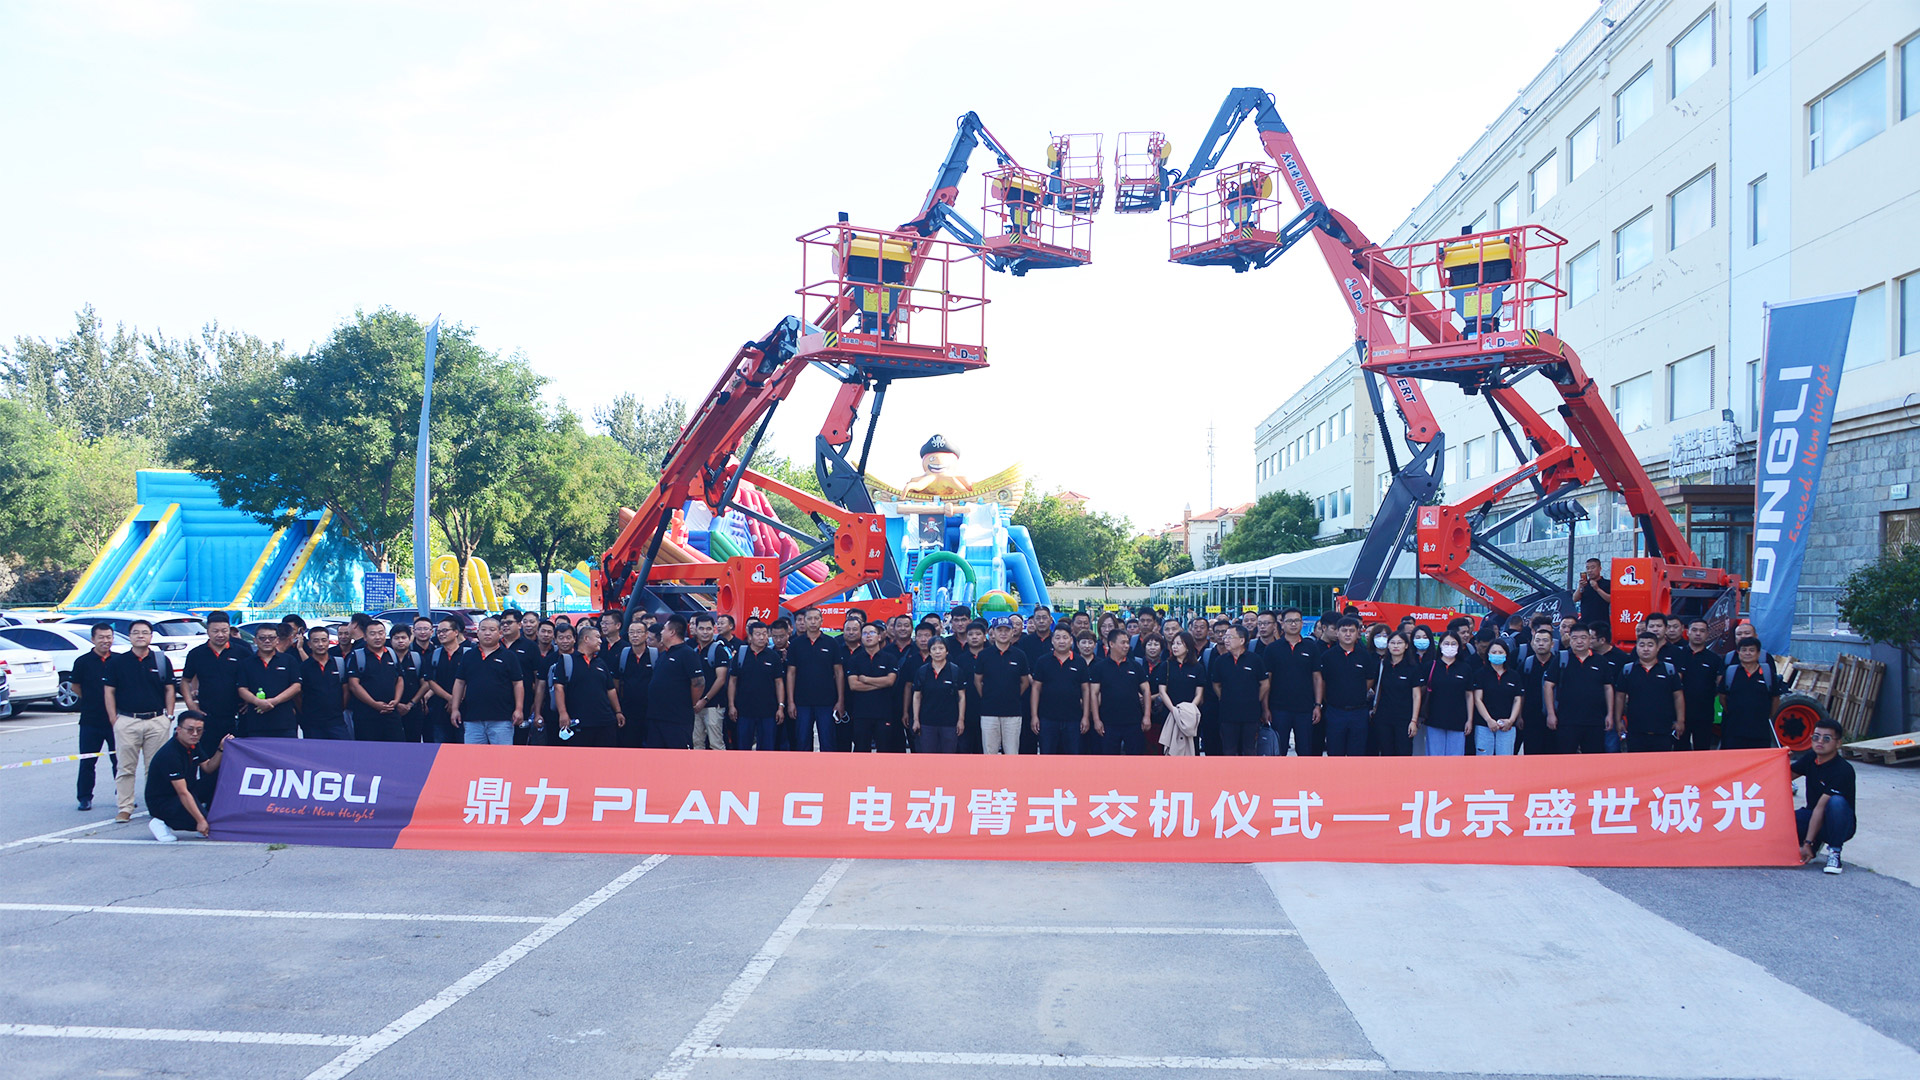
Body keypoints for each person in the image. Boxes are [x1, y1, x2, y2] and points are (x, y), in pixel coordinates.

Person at [104, 619, 178, 823]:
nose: (140, 636)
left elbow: (169, 689)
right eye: (136, 632)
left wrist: (169, 716)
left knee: (154, 768)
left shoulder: (161, 660)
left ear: (151, 636)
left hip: (156, 720)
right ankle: (125, 807)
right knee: (125, 767)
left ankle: (155, 807)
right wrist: (114, 719)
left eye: (145, 632)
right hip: (128, 720)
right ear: (129, 636)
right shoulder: (117, 662)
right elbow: (109, 691)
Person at [145, 712, 230, 842]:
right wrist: (201, 820)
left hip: (188, 790)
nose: (195, 734)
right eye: (190, 730)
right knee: (203, 821)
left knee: (218, 778)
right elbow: (182, 792)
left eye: (199, 730)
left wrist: (221, 748)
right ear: (178, 730)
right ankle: (160, 821)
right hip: (164, 800)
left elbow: (208, 767)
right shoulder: (170, 754)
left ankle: (207, 818)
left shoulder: (193, 745)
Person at [181, 611, 252, 748]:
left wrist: (251, 700)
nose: (220, 635)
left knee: (236, 754)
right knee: (208, 754)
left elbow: (254, 677)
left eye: (224, 631)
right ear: (208, 631)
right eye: (215, 631)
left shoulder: (242, 652)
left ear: (229, 630)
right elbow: (185, 681)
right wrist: (190, 704)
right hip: (207, 715)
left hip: (237, 714)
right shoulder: (196, 654)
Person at [451, 616, 525, 745]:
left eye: (492, 630)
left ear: (500, 633)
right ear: (478, 632)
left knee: (502, 756)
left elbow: (518, 684)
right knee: (473, 756)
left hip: (501, 718)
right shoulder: (468, 655)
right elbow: (460, 682)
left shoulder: (509, 656)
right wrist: (455, 708)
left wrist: (519, 709)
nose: (487, 633)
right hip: (472, 718)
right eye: (483, 629)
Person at [1794, 718, 1855, 874]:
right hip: (1812, 815)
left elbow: (1821, 808)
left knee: (1836, 802)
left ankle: (1834, 852)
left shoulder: (1843, 770)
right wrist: (1779, 758)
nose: (1820, 741)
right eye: (1816, 737)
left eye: (1826, 738)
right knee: (1787, 819)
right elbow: (1783, 776)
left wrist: (1807, 843)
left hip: (1839, 823)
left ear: (1838, 743)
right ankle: (1815, 843)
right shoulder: (1811, 758)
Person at [1543, 624, 1614, 754]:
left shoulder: (1600, 661)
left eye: (1583, 637)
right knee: (1565, 757)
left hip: (1595, 720)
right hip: (1566, 720)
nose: (1579, 641)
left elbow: (1608, 688)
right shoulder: (1561, 659)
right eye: (1575, 638)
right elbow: (1548, 686)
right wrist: (1551, 714)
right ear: (1569, 640)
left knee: (1594, 758)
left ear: (1590, 639)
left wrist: (1609, 714)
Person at [70, 623, 119, 812]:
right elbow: (76, 687)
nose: (105, 641)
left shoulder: (119, 660)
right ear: (93, 639)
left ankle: (122, 796)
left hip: (116, 720)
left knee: (120, 761)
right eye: (101, 637)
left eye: (109, 637)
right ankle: (84, 797)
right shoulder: (83, 662)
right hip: (91, 720)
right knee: (88, 761)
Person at [784, 606, 845, 752]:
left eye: (816, 618)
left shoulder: (831, 643)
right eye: (809, 619)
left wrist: (840, 700)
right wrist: (790, 702)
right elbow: (791, 673)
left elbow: (839, 673)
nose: (813, 622)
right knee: (802, 741)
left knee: (828, 742)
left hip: (827, 701)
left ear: (821, 621)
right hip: (802, 701)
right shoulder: (796, 644)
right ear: (804, 621)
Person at [1266, 608, 1324, 757]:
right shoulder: (1272, 649)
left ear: (1302, 623)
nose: (1293, 624)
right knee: (1279, 751)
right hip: (1279, 708)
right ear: (1282, 624)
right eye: (1289, 621)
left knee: (1305, 751)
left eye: (1297, 621)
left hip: (1305, 708)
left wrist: (1318, 705)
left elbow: (1317, 677)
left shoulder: (1311, 647)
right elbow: (1267, 680)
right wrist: (1265, 708)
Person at [1314, 617, 1376, 757]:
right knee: (1335, 753)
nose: (1348, 634)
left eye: (1351, 631)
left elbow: (1369, 679)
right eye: (1344, 630)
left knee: (1357, 754)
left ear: (1357, 633)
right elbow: (1323, 682)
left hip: (1358, 712)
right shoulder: (1327, 657)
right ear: (1337, 633)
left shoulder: (1364, 656)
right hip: (1335, 711)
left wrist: (1358, 692)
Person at [1614, 633, 1684, 753]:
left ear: (1657, 648)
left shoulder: (1668, 670)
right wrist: (1618, 720)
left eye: (1650, 645)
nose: (1646, 649)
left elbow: (1678, 696)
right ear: (1636, 648)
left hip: (1663, 729)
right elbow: (1620, 697)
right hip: (1635, 729)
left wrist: (1680, 720)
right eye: (1642, 645)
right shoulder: (1628, 670)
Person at [554, 624, 623, 746]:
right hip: (580, 721)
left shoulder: (600, 663)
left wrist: (618, 711)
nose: (600, 641)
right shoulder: (567, 661)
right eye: (597, 637)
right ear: (586, 639)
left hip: (605, 721)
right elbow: (558, 688)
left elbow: (610, 689)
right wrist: (563, 713)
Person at [1088, 628, 1152, 755]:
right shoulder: (1099, 667)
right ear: (1111, 644)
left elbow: (1146, 690)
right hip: (1108, 722)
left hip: (1133, 721)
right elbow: (1094, 694)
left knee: (1135, 758)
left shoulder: (1135, 666)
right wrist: (1096, 719)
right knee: (1109, 759)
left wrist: (1147, 716)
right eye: (1123, 642)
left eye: (1127, 642)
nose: (1126, 646)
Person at [1208, 625, 1268, 756]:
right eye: (1225, 637)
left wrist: (1255, 699)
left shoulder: (1255, 659)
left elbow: (1264, 683)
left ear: (1242, 640)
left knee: (1249, 749)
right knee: (1228, 749)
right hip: (1227, 713)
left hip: (1250, 713)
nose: (1226, 640)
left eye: (1229, 637)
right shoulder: (1220, 661)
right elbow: (1216, 684)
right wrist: (1224, 698)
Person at [973, 619, 1031, 755]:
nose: (1003, 633)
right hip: (989, 712)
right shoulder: (984, 655)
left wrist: (1013, 695)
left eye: (1007, 630)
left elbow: (1025, 682)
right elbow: (977, 680)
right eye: (999, 630)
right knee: (989, 752)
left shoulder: (1020, 655)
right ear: (992, 632)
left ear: (1012, 632)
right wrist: (987, 696)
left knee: (1012, 752)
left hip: (1013, 712)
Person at [647, 616, 704, 749]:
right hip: (656, 717)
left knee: (678, 755)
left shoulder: (687, 653)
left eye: (664, 629)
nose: (661, 632)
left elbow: (698, 683)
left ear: (672, 632)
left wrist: (690, 703)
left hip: (677, 719)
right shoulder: (663, 655)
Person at [728, 619, 785, 751]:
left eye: (764, 634)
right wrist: (731, 705)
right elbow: (732, 681)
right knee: (743, 748)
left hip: (768, 711)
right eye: (758, 634)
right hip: (744, 710)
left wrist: (780, 707)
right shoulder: (741, 655)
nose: (762, 637)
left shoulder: (773, 656)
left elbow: (779, 683)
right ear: (750, 636)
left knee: (767, 748)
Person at [1029, 627, 1088, 755]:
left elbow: (1085, 690)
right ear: (1052, 641)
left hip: (1073, 719)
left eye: (1065, 637)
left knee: (1072, 757)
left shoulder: (1080, 662)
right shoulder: (1043, 661)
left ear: (1071, 640)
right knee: (1047, 756)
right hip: (1048, 718)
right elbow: (1036, 688)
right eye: (1058, 637)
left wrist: (1085, 716)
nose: (1061, 641)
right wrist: (1034, 716)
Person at [346, 619, 407, 742]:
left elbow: (399, 679)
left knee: (396, 748)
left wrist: (396, 700)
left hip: (391, 714)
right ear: (365, 637)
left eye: (381, 633)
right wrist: (374, 704)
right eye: (373, 634)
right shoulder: (357, 656)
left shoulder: (391, 654)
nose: (377, 637)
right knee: (368, 750)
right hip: (366, 716)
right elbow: (353, 685)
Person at [843, 623, 899, 753]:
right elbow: (854, 685)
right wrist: (879, 684)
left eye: (872, 633)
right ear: (861, 638)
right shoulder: (855, 660)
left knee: (884, 750)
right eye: (865, 633)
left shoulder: (890, 658)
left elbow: (890, 681)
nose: (868, 636)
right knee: (861, 750)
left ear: (879, 637)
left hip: (884, 713)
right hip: (861, 713)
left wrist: (867, 680)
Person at [1719, 639, 1782, 749]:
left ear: (1758, 653)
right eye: (1744, 650)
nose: (1747, 653)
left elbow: (1775, 698)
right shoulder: (1730, 673)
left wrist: (1766, 715)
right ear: (1738, 653)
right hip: (1734, 731)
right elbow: (1723, 698)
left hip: (1760, 732)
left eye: (1752, 650)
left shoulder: (1767, 674)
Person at [1421, 631, 1474, 756]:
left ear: (1459, 646)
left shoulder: (1465, 668)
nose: (1450, 647)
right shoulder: (1430, 666)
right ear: (1440, 645)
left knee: (1455, 758)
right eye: (1446, 643)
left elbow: (1469, 695)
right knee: (1434, 757)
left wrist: (1469, 719)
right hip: (1434, 719)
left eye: (1453, 644)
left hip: (1458, 720)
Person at [911, 637, 968, 753]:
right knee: (928, 756)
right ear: (929, 652)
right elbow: (917, 696)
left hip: (950, 723)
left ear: (947, 651)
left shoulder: (955, 671)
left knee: (948, 757)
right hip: (927, 722)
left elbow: (962, 697)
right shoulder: (922, 671)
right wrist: (916, 719)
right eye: (934, 649)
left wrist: (961, 720)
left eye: (941, 648)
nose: (937, 652)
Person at [1158, 631, 1207, 755]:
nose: (1175, 647)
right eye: (1173, 644)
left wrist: (1188, 710)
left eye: (1179, 644)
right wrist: (1174, 710)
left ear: (1188, 647)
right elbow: (1162, 691)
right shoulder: (1166, 665)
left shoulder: (1197, 667)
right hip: (1170, 713)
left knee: (1191, 748)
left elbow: (1199, 693)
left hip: (1190, 715)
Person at [298, 625, 351, 740]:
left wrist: (339, 708)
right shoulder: (303, 667)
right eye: (316, 641)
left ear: (328, 642)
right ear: (309, 644)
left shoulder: (339, 663)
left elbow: (346, 689)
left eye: (324, 640)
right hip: (312, 723)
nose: (320, 644)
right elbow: (298, 695)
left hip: (336, 721)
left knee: (343, 748)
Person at [1370, 632, 1419, 756]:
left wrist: (1414, 720)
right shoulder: (1382, 665)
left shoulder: (1412, 668)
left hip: (1404, 718)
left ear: (1406, 646)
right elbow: (1377, 688)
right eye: (1392, 643)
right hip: (1383, 717)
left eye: (1399, 643)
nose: (1396, 646)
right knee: (1386, 753)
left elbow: (1416, 696)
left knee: (1404, 753)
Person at [422, 617, 469, 743]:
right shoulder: (434, 655)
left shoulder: (468, 654)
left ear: (456, 632)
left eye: (445, 631)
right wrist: (450, 698)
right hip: (440, 709)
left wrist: (457, 700)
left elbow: (470, 680)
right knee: (441, 746)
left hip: (465, 709)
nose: (441, 634)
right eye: (439, 632)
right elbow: (431, 681)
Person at [689, 613, 731, 750]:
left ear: (714, 629)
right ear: (695, 629)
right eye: (701, 628)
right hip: (696, 706)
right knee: (696, 742)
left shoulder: (719, 651)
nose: (705, 632)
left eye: (708, 628)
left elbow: (721, 679)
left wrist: (705, 700)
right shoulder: (694, 651)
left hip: (714, 705)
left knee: (716, 743)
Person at [1472, 639, 1523, 755]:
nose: (1497, 654)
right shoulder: (1480, 674)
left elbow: (1517, 699)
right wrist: (1489, 720)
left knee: (1505, 759)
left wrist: (1511, 720)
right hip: (1484, 725)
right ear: (1488, 654)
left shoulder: (1513, 675)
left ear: (1506, 654)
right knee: (1483, 759)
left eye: (1501, 652)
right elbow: (1478, 699)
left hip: (1507, 726)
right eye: (1494, 652)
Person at [1517, 626, 1559, 756]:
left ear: (1552, 644)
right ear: (1533, 643)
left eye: (1545, 640)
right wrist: (1519, 716)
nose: (1541, 644)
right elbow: (1520, 693)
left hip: (1555, 717)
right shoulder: (1526, 664)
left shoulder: (1558, 664)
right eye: (1538, 640)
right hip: (1530, 719)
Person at [611, 619, 652, 749]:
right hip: (628, 710)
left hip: (650, 710)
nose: (635, 635)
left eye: (639, 632)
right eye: (631, 632)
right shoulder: (622, 656)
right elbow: (616, 682)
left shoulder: (654, 656)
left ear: (646, 635)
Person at [1576, 557, 1610, 626]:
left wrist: (1597, 589)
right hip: (1585, 622)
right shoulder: (1584, 584)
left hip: (1602, 622)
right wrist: (1580, 587)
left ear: (1600, 568)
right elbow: (1574, 599)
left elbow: (1611, 599)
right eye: (1587, 568)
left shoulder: (1607, 583)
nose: (1590, 571)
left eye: (1592, 567)